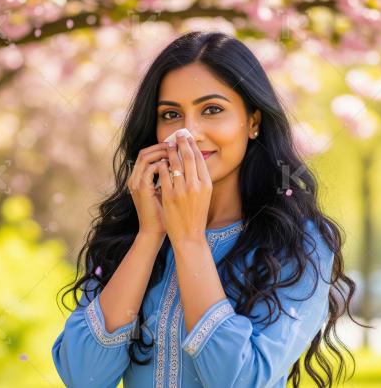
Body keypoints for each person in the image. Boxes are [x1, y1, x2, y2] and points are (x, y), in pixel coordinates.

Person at [52, 31, 359, 387]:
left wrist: (190, 242)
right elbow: (83, 376)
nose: (188, 133)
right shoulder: (128, 233)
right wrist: (150, 236)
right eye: (171, 114)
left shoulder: (298, 242)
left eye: (212, 110)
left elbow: (241, 380)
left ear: (253, 122)